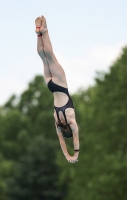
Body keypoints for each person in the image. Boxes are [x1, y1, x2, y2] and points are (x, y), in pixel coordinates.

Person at [35, 16, 79, 163]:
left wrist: (74, 155)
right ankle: (39, 33)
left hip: (61, 84)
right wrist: (66, 156)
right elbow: (61, 142)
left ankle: (45, 30)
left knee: (50, 56)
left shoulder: (72, 121)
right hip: (51, 87)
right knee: (43, 56)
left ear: (70, 132)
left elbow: (75, 139)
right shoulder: (58, 123)